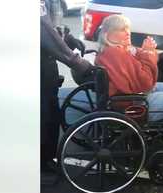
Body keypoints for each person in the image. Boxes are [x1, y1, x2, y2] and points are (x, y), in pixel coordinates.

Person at [40, 0, 94, 175]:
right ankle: (40, 163)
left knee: (51, 112)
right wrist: (79, 63)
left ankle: (46, 159)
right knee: (43, 114)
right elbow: (44, 31)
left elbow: (53, 27)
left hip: (46, 63)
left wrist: (68, 38)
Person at [94, 14, 163, 122]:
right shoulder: (115, 53)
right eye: (122, 29)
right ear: (108, 35)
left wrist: (145, 51)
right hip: (133, 105)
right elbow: (146, 83)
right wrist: (148, 53)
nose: (128, 33)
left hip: (131, 98)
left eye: (128, 29)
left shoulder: (113, 51)